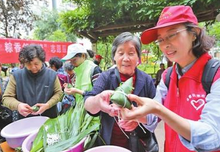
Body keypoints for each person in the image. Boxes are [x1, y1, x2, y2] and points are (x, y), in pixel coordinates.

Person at [120, 5, 220, 152]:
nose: (165, 45)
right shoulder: (168, 76)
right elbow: (153, 117)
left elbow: (213, 136)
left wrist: (159, 110)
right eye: (160, 40)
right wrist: (136, 116)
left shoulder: (215, 74)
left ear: (194, 33)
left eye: (172, 34)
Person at [84, 32, 157, 151]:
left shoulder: (146, 80)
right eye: (121, 53)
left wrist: (139, 119)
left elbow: (156, 112)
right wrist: (98, 101)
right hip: (110, 143)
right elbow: (88, 104)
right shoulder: (106, 77)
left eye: (131, 53)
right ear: (114, 57)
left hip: (139, 144)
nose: (126, 58)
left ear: (138, 57)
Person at [2, 44, 63, 119]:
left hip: (48, 119)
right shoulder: (16, 76)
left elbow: (59, 93)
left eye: (36, 64)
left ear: (42, 61)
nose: (33, 67)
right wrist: (18, 105)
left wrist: (48, 105)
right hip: (25, 121)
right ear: (24, 63)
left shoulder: (52, 75)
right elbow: (6, 98)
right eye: (28, 64)